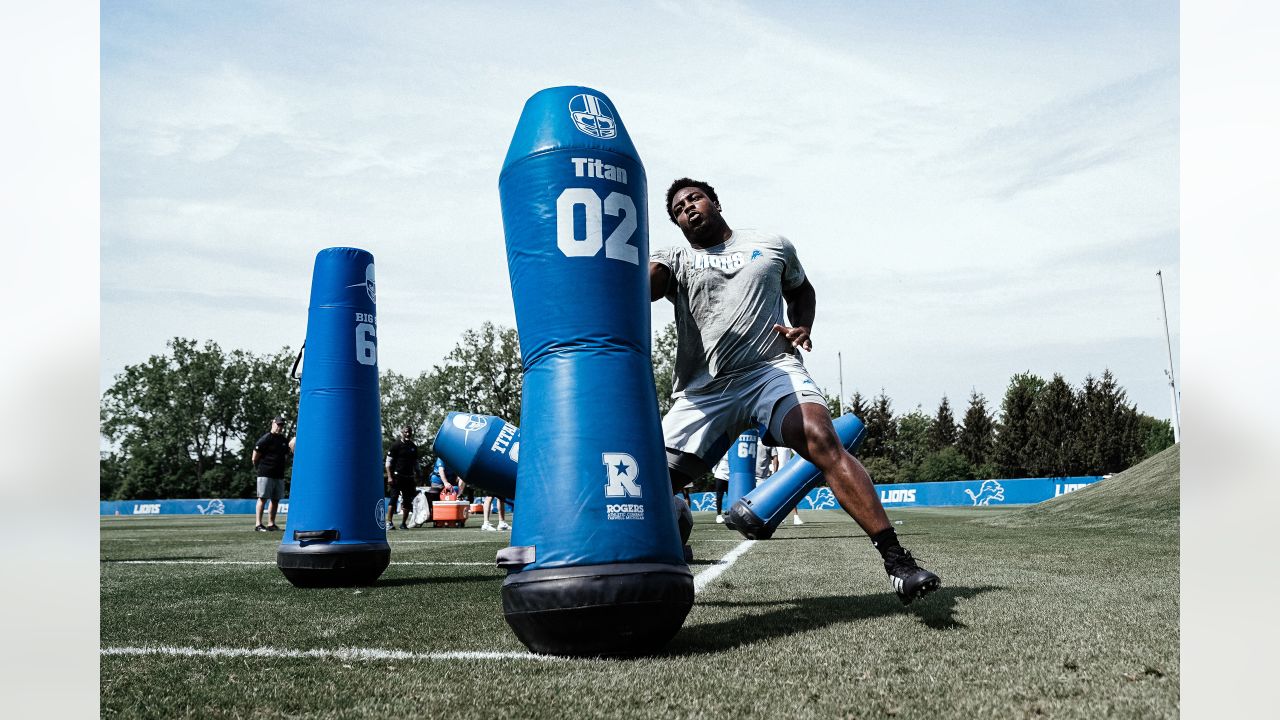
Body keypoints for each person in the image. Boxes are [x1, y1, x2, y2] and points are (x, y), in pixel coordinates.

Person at [649, 178, 941, 605]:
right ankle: (676, 519)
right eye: (678, 208)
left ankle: (899, 564)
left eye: (695, 198)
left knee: (822, 439)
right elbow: (649, 286)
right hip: (705, 390)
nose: (688, 208)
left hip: (770, 369)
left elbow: (801, 288)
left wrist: (803, 324)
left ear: (715, 202)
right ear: (676, 222)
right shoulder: (674, 256)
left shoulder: (771, 244)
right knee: (645, 485)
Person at [251, 415, 295, 532]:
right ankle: (258, 524)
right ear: (273, 423)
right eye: (278, 424)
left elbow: (289, 452)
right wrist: (259, 468)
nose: (279, 427)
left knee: (275, 499)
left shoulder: (283, 440)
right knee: (263, 498)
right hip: (265, 473)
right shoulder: (266, 438)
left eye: (281, 425)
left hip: (279, 474)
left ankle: (271, 524)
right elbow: (255, 456)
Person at [385, 425, 420, 530]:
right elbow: (388, 463)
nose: (408, 434)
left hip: (409, 478)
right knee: (394, 499)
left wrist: (419, 473)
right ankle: (389, 523)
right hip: (397, 477)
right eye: (406, 432)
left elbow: (416, 463)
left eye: (409, 432)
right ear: (402, 433)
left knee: (407, 501)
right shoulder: (396, 445)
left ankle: (403, 524)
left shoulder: (413, 446)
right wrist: (390, 477)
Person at [770, 445, 804, 526]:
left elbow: (798, 455)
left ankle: (796, 517)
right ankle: (780, 518)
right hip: (774, 474)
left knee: (791, 495)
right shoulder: (771, 445)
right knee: (776, 497)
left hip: (787, 474)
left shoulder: (786, 444)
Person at [711, 454, 730, 523]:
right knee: (719, 496)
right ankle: (719, 515)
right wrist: (714, 472)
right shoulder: (724, 449)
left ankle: (730, 513)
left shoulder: (735, 450)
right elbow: (715, 461)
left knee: (731, 496)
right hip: (720, 475)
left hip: (731, 476)